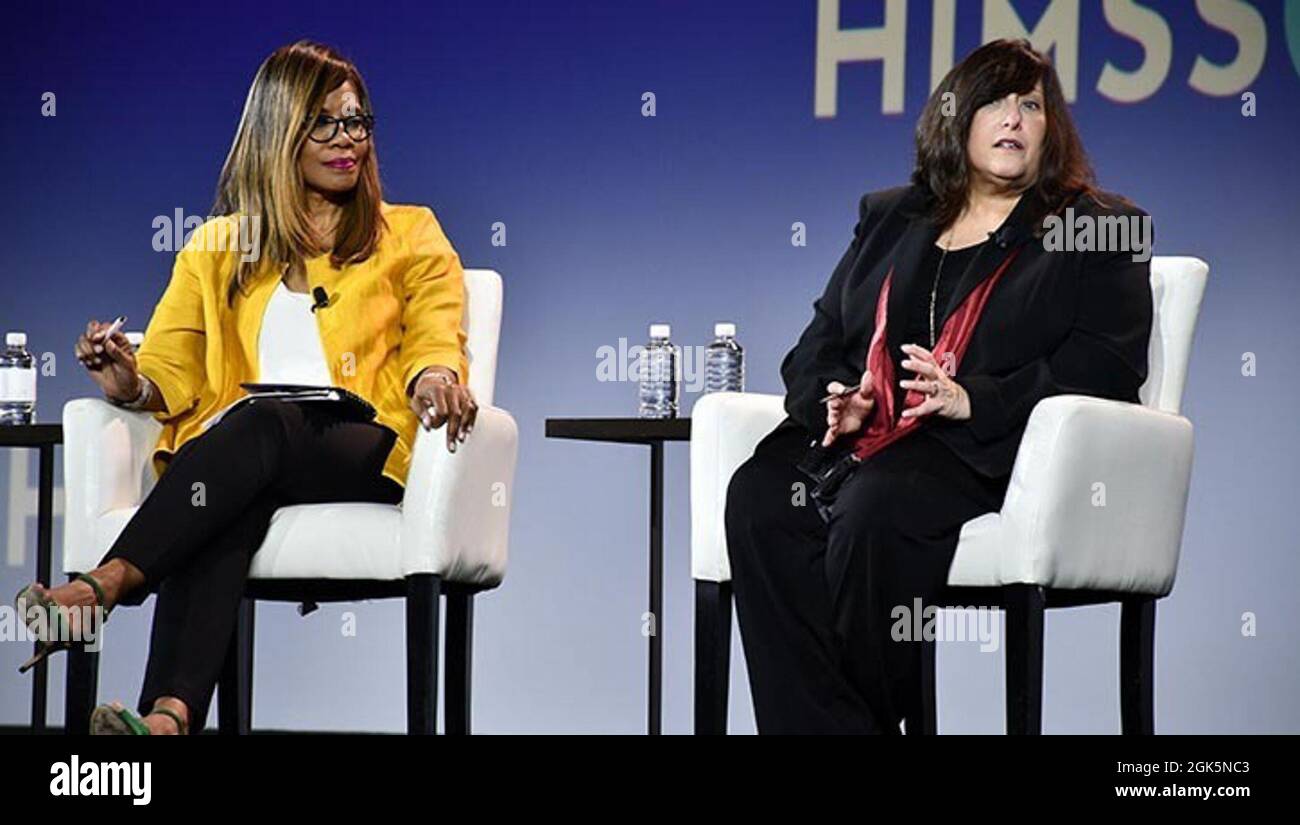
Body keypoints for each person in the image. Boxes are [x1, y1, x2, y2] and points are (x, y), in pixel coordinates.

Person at [14, 41, 477, 735]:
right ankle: (166, 719)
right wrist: (129, 381)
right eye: (324, 123)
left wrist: (435, 374)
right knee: (226, 500)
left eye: (357, 121)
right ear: (277, 133)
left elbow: (438, 329)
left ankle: (102, 585)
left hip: (363, 446)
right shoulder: (216, 249)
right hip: (247, 458)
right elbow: (170, 369)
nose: (347, 139)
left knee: (256, 427)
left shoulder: (408, 233)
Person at [724, 39, 1154, 734]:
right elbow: (819, 341)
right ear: (954, 118)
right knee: (757, 498)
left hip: (980, 449)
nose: (1013, 118)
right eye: (994, 101)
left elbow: (1106, 364)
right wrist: (837, 396)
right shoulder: (893, 215)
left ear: (1052, 130)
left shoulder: (1099, 228)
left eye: (1031, 105)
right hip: (864, 438)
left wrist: (975, 397)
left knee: (874, 510)